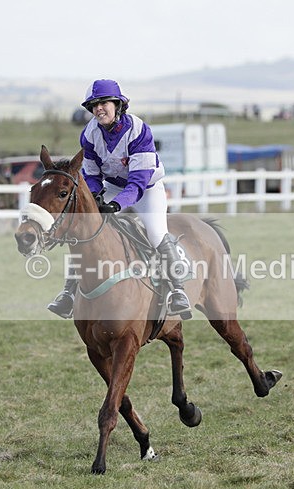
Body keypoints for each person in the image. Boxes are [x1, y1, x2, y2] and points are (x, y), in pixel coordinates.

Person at [47, 79, 192, 319]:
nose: (98, 109)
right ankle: (68, 294)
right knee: (85, 231)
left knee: (156, 233)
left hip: (147, 189)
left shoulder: (138, 130)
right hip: (113, 187)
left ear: (118, 105)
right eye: (93, 105)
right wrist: (96, 195)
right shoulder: (89, 134)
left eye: (103, 103)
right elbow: (92, 174)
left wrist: (115, 205)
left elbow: (137, 183)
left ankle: (178, 290)